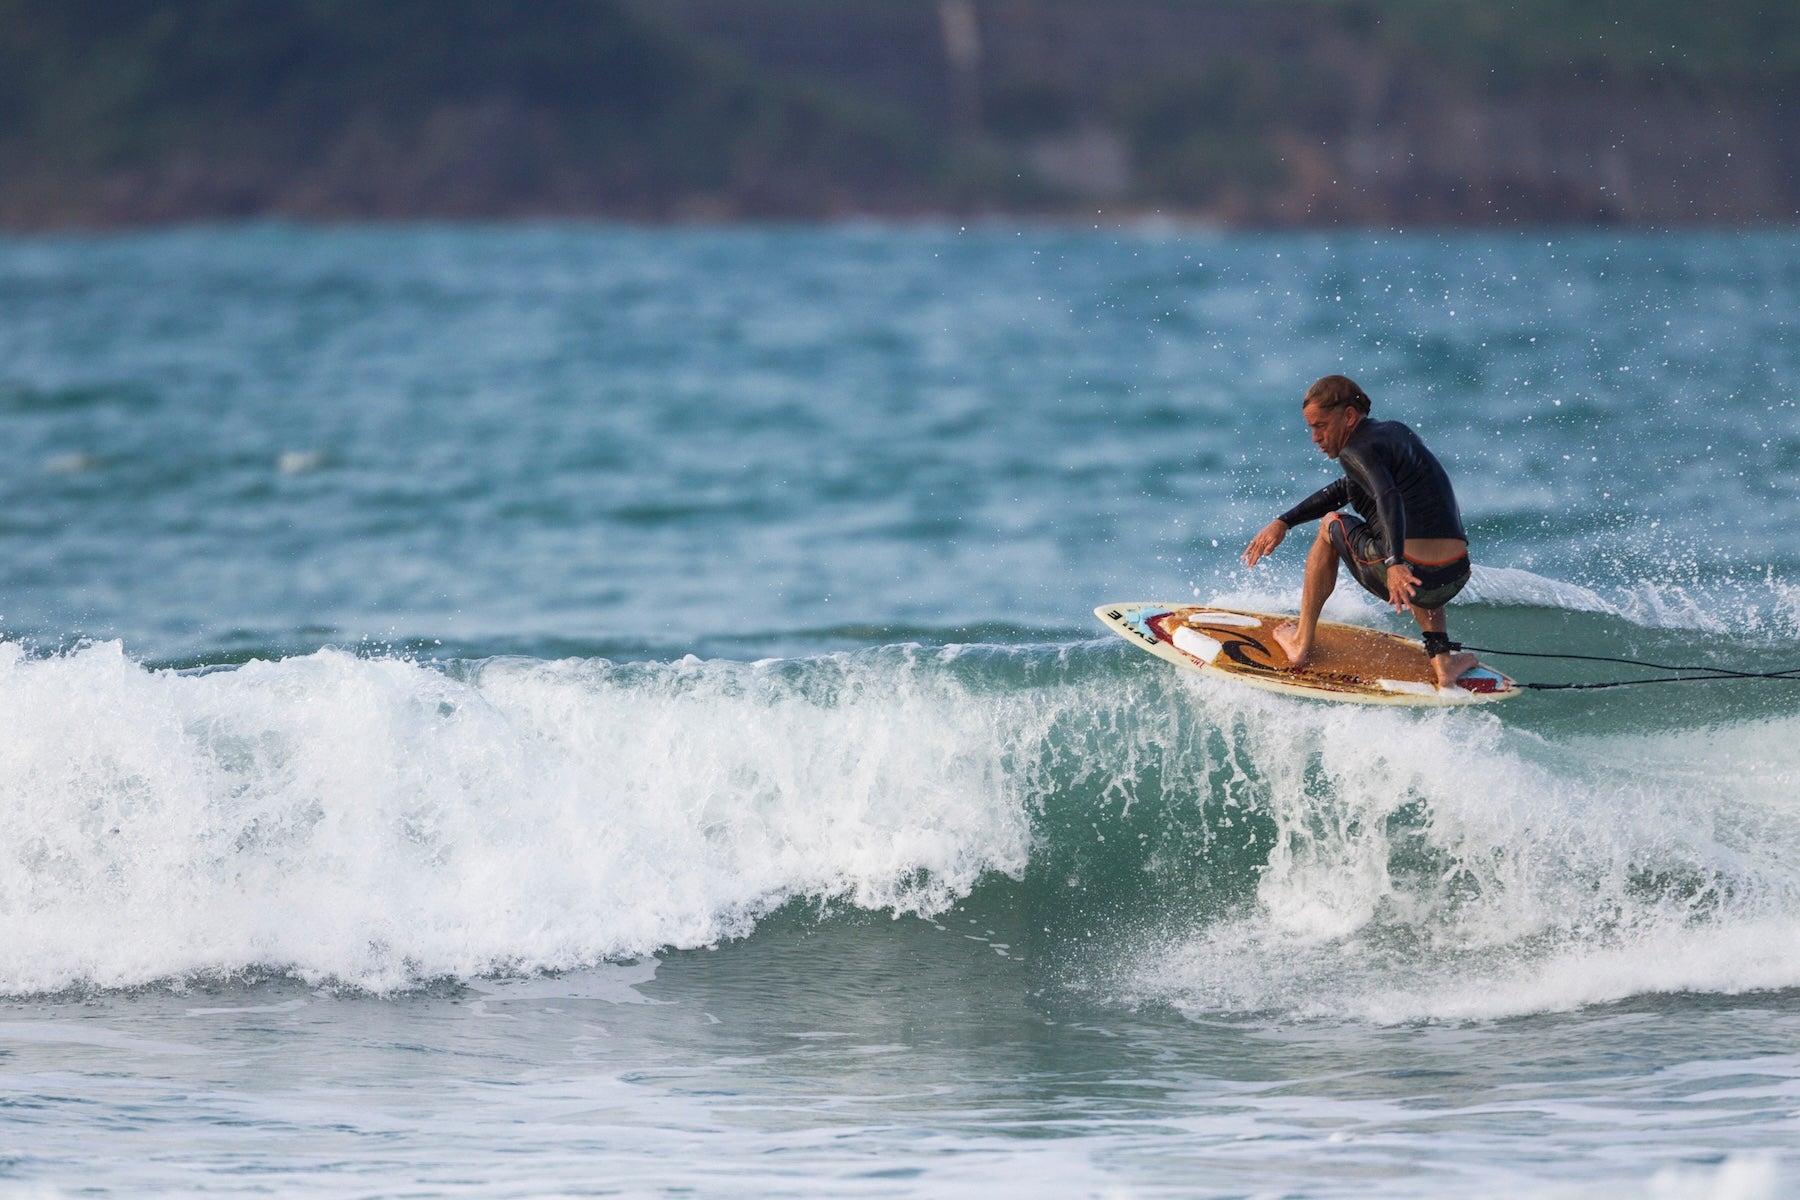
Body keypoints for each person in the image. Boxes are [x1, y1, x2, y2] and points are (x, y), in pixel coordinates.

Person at [1241, 374, 1479, 687]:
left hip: (1412, 576)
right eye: (1311, 427)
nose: (1315, 437)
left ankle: (1300, 642)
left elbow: (1387, 496)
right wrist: (1284, 521)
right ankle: (1442, 661)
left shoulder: (1355, 450)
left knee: (1331, 524)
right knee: (1413, 533)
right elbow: (1348, 488)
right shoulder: (1394, 434)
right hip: (1454, 574)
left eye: (1321, 425)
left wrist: (1394, 564)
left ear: (1349, 416)